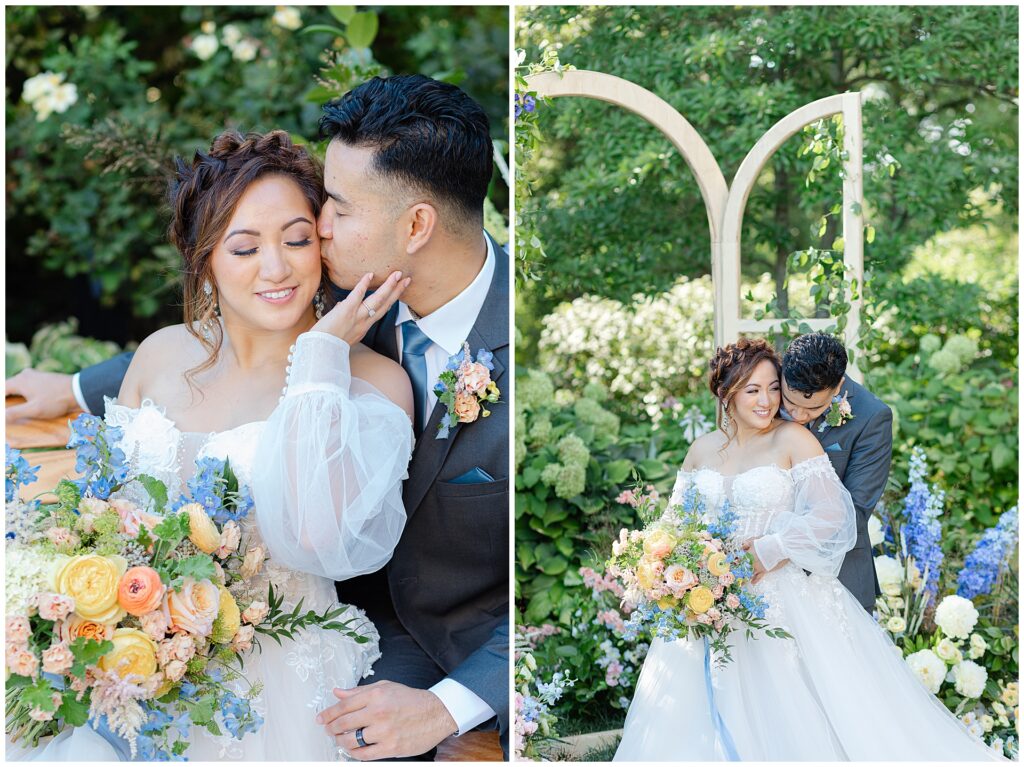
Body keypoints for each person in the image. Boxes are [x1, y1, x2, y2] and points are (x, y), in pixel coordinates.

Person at [7, 74, 510, 761]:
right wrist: (72, 385)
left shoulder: (371, 349)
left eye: (326, 214)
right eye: (246, 247)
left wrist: (323, 359)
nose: (311, 237)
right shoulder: (349, 283)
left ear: (416, 225)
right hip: (139, 657)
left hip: (372, 655)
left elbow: (321, 533)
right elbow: (222, 331)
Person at [613, 338, 1005, 762]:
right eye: (753, 390)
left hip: (780, 595)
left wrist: (767, 550)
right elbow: (674, 523)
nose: (770, 402)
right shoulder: (702, 449)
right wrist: (659, 565)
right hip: (703, 599)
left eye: (772, 389)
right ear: (726, 394)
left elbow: (836, 518)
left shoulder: (795, 439)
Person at [779, 332, 892, 611]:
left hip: (837, 580)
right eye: (789, 403)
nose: (797, 416)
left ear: (838, 385)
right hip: (770, 585)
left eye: (813, 408)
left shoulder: (872, 417)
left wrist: (778, 546)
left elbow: (854, 511)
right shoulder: (764, 395)